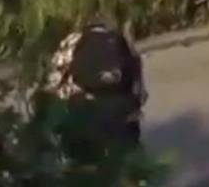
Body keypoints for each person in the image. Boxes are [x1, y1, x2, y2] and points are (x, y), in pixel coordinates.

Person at [35, 22, 148, 163]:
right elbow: (141, 92)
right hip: (121, 111)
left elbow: (53, 81)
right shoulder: (121, 41)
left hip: (85, 112)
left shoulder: (73, 41)